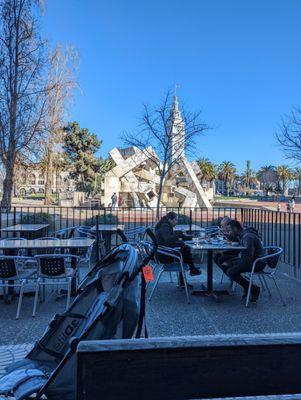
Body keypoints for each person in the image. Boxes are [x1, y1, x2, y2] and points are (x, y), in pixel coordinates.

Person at [219, 220, 265, 302]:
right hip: (251, 260)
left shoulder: (248, 237)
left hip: (257, 263)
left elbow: (247, 258)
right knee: (224, 264)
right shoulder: (243, 234)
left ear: (235, 229)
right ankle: (247, 287)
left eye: (230, 230)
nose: (229, 232)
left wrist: (233, 262)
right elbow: (245, 256)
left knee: (231, 271)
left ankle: (253, 289)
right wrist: (232, 262)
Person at [154, 212, 201, 276]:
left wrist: (191, 237)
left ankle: (191, 269)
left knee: (183, 248)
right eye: (175, 220)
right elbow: (168, 240)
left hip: (161, 252)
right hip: (163, 256)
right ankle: (191, 269)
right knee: (183, 250)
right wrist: (179, 234)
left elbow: (171, 240)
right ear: (170, 220)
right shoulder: (164, 226)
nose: (177, 222)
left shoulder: (165, 225)